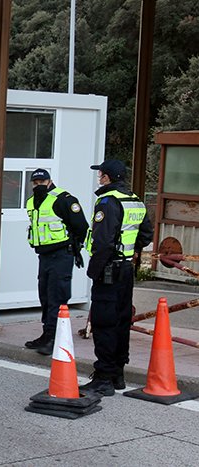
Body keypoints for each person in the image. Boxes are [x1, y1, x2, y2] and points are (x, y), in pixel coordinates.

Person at [79, 159, 153, 396]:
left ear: (108, 177)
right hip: (126, 270)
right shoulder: (135, 201)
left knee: (104, 322)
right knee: (121, 321)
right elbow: (146, 236)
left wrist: (95, 272)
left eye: (100, 174)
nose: (98, 178)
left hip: (109, 270)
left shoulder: (108, 202)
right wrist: (127, 250)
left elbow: (102, 243)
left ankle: (103, 378)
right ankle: (117, 374)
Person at [24, 168, 89, 356]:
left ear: (50, 181)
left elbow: (81, 226)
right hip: (44, 256)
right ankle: (47, 334)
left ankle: (55, 338)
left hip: (61, 255)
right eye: (35, 184)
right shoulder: (32, 202)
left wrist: (74, 247)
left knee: (57, 297)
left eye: (41, 183)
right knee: (45, 296)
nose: (38, 186)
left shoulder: (64, 199)